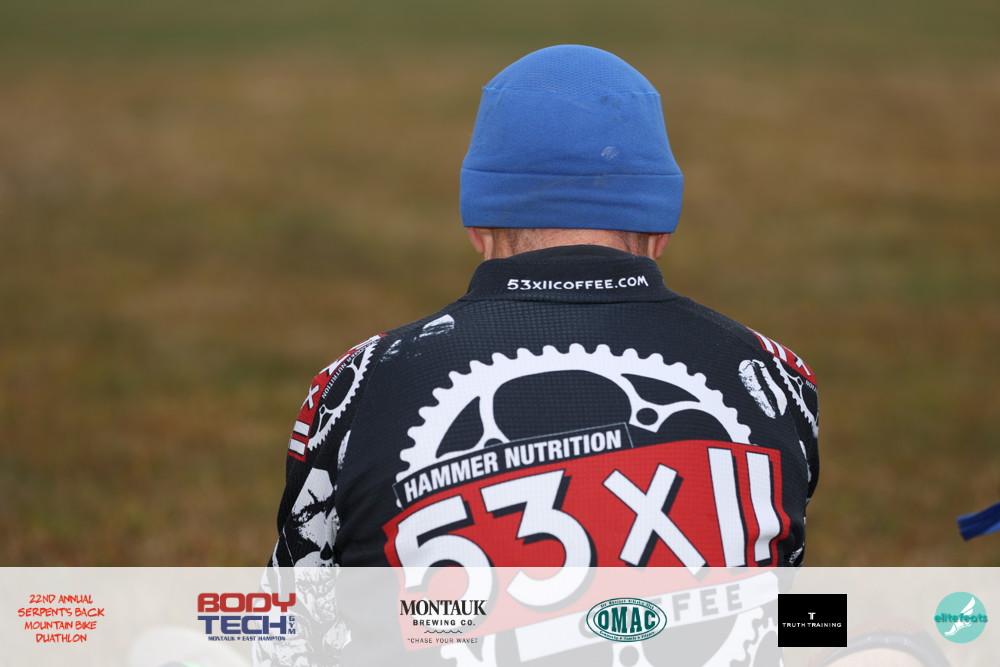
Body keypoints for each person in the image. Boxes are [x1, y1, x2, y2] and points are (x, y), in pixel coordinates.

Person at [267, 44, 819, 572]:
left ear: (477, 224)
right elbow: (783, 608)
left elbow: (294, 617)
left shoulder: (359, 384)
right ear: (662, 228)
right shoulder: (776, 379)